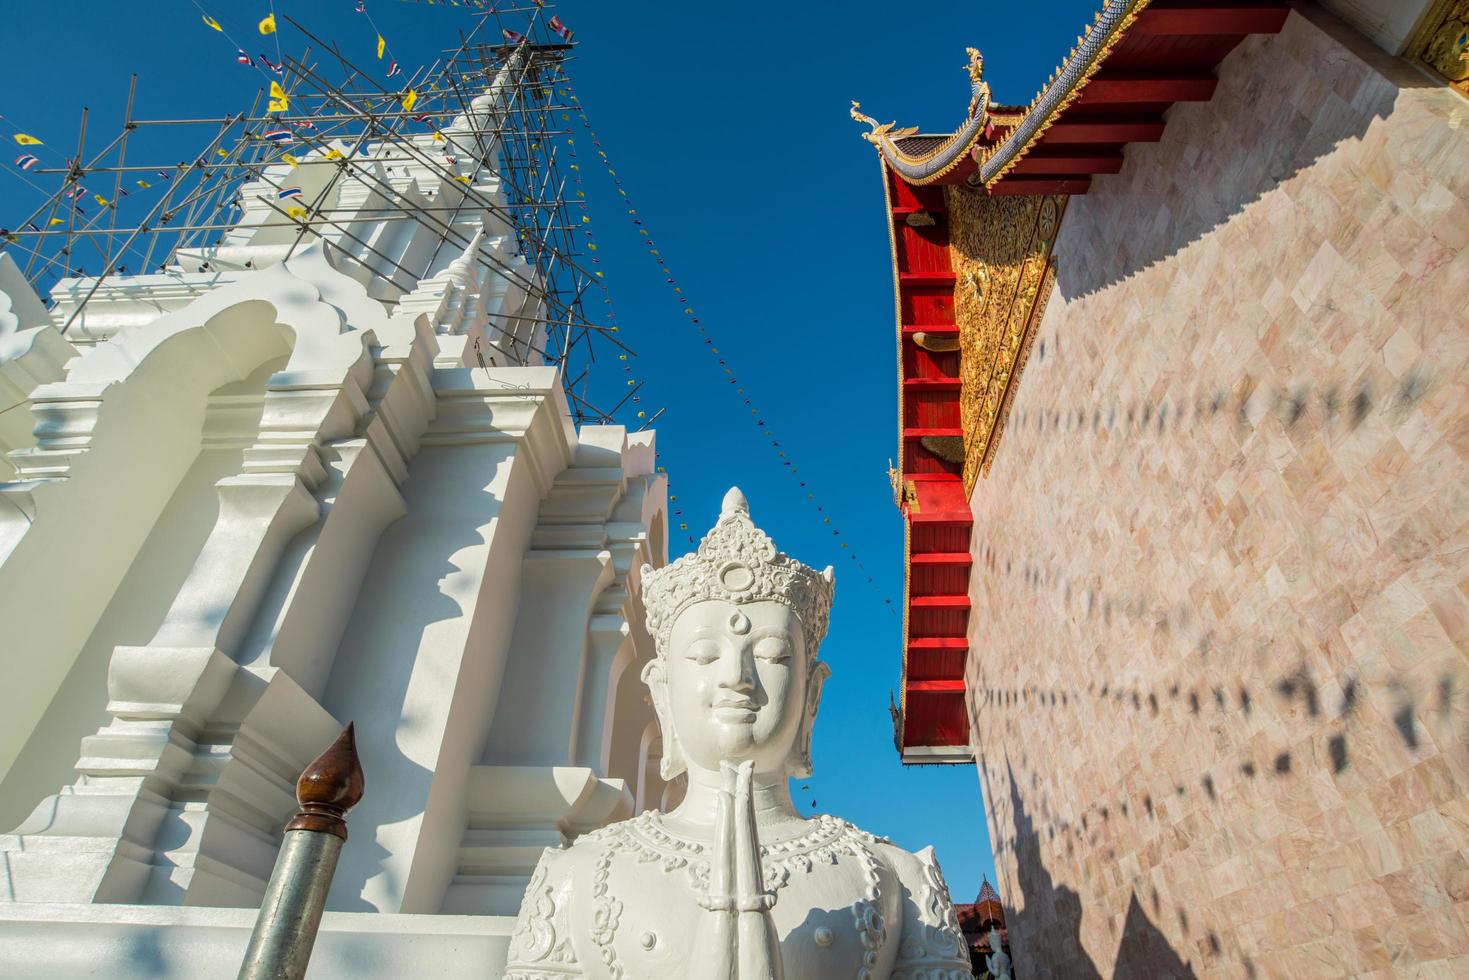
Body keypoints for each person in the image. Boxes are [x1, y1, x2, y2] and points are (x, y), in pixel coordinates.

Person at [506, 488, 972, 980]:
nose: (737, 676)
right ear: (662, 691)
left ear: (811, 695)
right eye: (706, 654)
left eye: (771, 653)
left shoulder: (896, 875)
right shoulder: (578, 873)